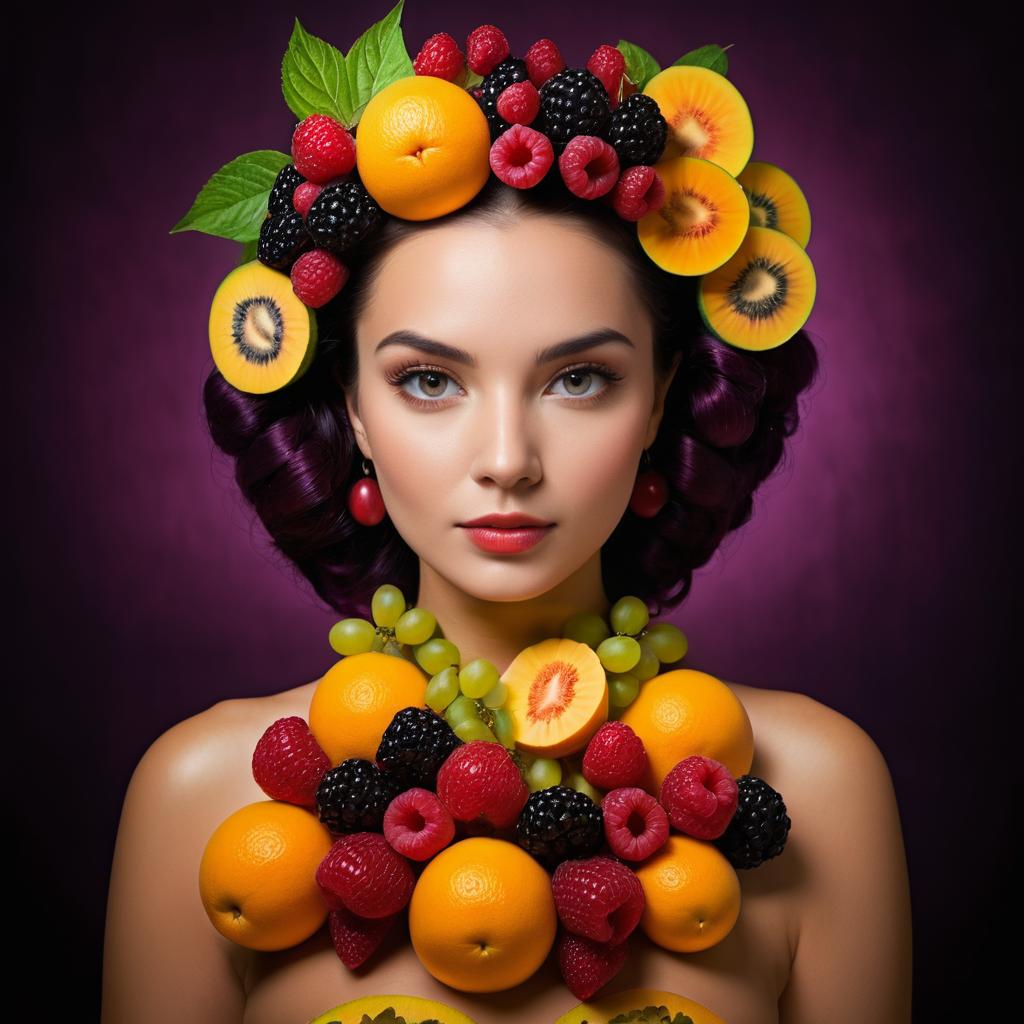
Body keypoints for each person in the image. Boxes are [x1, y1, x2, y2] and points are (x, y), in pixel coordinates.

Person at [102, 16, 912, 1024]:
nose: (504, 461)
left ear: (661, 396)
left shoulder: (825, 795)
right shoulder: (198, 800)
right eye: (429, 379)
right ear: (350, 402)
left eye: (578, 378)